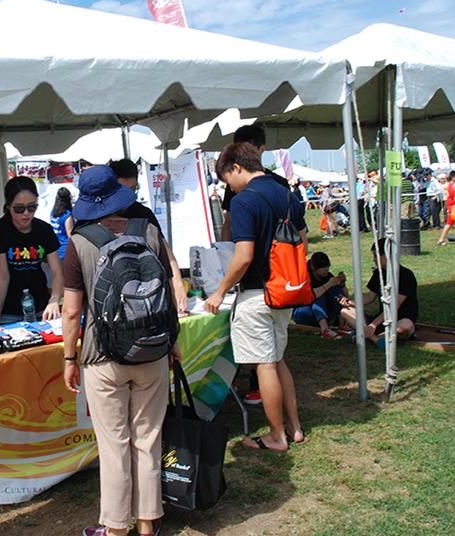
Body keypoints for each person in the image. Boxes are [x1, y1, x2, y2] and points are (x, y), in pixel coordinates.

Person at [62, 165, 180, 536]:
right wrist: (172, 343)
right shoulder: (148, 231)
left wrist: (69, 358)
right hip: (153, 350)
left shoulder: (79, 243)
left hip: (102, 356)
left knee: (114, 445)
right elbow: (167, 289)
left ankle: (114, 528)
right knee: (147, 438)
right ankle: (148, 523)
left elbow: (71, 311)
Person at [203, 142, 306, 451]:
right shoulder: (286, 193)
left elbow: (243, 255)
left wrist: (220, 291)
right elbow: (302, 239)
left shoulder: (245, 200)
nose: (228, 187)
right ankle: (295, 428)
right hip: (283, 290)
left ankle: (276, 436)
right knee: (277, 360)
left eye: (226, 180)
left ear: (236, 167)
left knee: (264, 365)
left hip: (256, 293)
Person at [107, 159, 187, 315]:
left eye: (133, 189)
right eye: (123, 190)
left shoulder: (142, 213)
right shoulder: (99, 215)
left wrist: (177, 285)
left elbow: (165, 249)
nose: (129, 196)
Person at [0, 176, 63, 326]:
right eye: (19, 208)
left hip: (41, 307)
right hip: (9, 309)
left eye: (32, 207)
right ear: (7, 205)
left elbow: (57, 272)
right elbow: (3, 276)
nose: (26, 213)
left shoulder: (44, 230)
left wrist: (54, 299)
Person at [340, 238, 418, 347]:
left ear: (388, 255)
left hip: (399, 320)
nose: (374, 260)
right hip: (381, 320)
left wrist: (372, 325)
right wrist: (351, 302)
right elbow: (369, 297)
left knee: (406, 326)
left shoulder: (406, 276)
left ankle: (366, 334)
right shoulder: (379, 274)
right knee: (345, 312)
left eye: (376, 256)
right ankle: (375, 338)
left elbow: (393, 307)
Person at [292, 252, 349, 339]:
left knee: (335, 289)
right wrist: (328, 285)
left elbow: (345, 295)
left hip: (325, 313)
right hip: (304, 314)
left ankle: (342, 323)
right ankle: (325, 329)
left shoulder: (328, 276)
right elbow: (309, 295)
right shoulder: (305, 277)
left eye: (327, 267)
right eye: (322, 267)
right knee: (318, 297)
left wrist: (342, 285)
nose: (326, 269)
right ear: (313, 267)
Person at [436, 170, 455, 245]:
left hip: (451, 207)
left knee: (451, 224)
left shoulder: (450, 185)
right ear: (453, 177)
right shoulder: (452, 186)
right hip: (453, 208)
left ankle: (442, 240)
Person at [49, 187, 74, 264]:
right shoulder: (67, 215)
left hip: (56, 250)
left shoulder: (53, 212)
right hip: (65, 251)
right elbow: (70, 234)